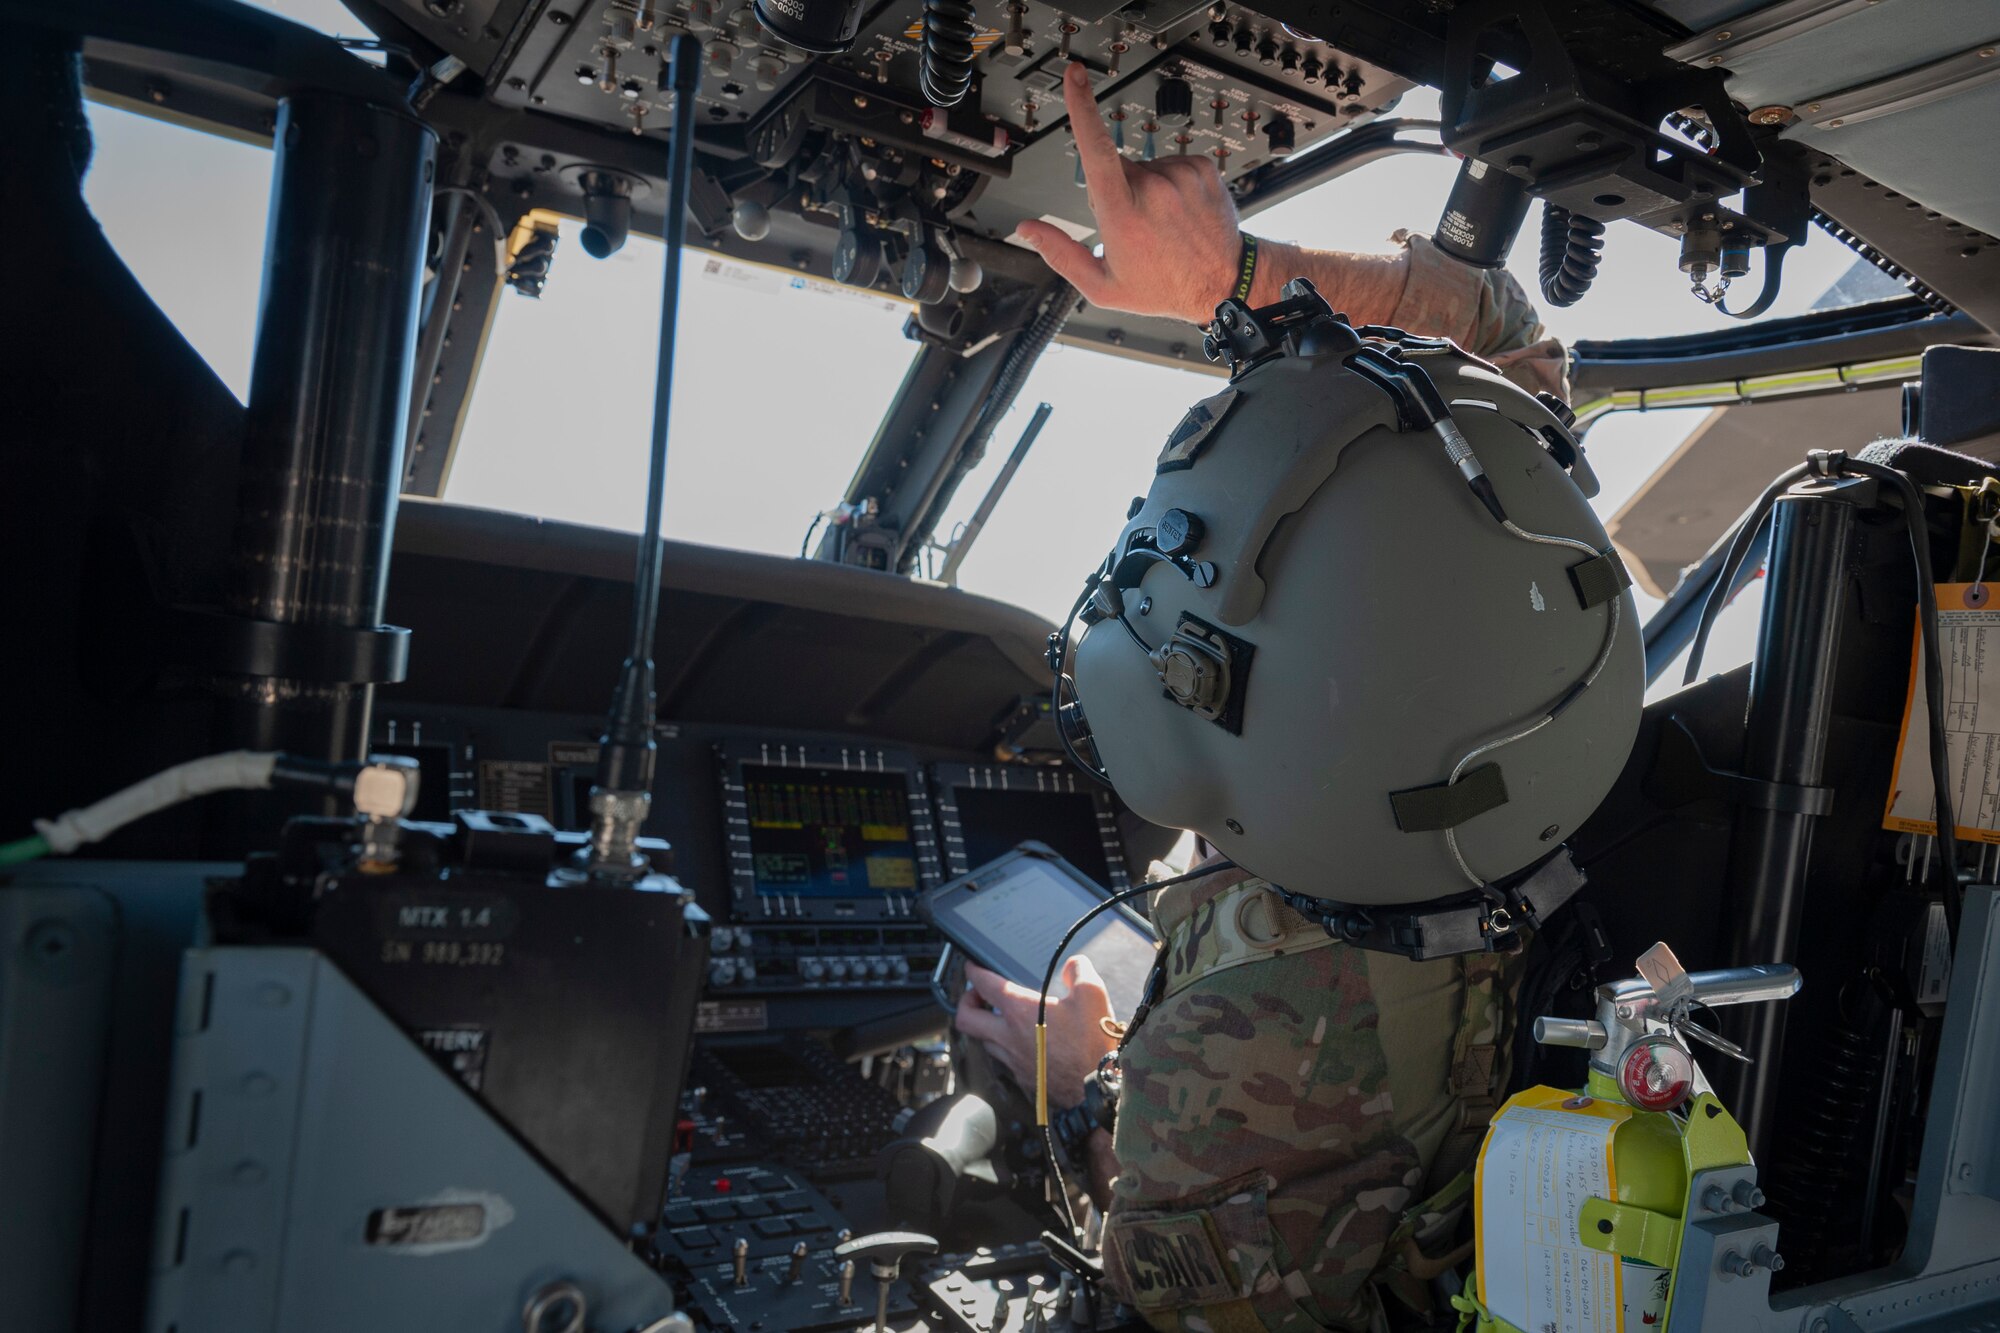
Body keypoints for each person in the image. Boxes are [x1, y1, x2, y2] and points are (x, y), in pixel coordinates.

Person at [953, 61, 1569, 1333]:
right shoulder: (1521, 699)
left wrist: (1069, 1083)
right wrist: (1231, 278)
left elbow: (1152, 1305)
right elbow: (1503, 341)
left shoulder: (1241, 1025)